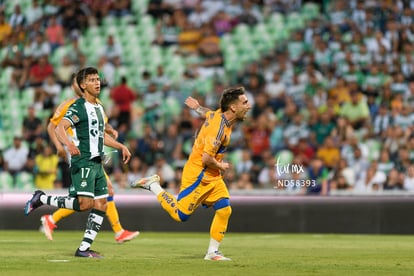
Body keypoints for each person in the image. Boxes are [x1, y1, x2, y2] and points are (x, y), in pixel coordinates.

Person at [131, 87, 251, 261]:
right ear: (233, 107)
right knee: (181, 215)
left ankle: (212, 253)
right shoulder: (218, 130)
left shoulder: (220, 117)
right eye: (244, 102)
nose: (248, 106)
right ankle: (153, 185)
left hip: (212, 176)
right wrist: (221, 165)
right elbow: (206, 158)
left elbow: (209, 114)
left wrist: (197, 108)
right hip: (199, 174)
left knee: (224, 209)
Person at [24, 67, 131, 258]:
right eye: (92, 80)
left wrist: (121, 146)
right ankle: (41, 199)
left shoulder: (98, 107)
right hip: (84, 161)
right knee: (84, 204)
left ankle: (83, 249)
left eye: (98, 79)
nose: (97, 83)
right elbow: (59, 129)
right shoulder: (77, 107)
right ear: (82, 85)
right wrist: (69, 145)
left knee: (101, 204)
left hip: (97, 163)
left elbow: (100, 136)